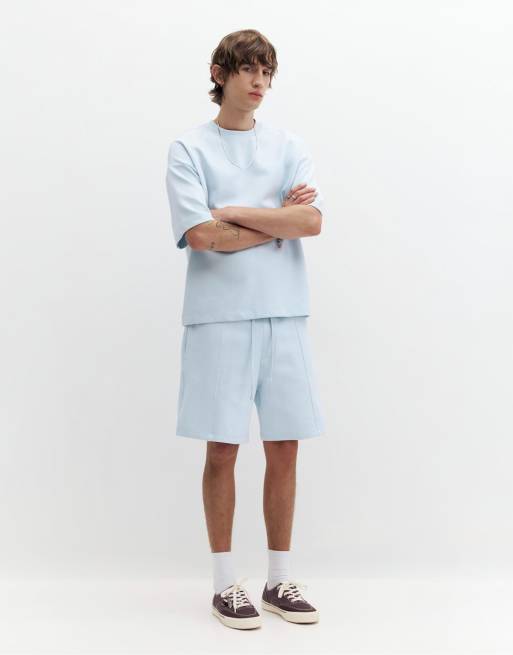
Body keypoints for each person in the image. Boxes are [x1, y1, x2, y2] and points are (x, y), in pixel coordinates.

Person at [165, 29, 326, 630]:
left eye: (267, 72)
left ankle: (279, 579)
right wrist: (276, 220)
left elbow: (311, 222)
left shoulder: (289, 145)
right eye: (249, 70)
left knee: (285, 445)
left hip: (285, 312)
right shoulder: (188, 149)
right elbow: (201, 237)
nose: (259, 82)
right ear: (220, 73)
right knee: (222, 448)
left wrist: (232, 211)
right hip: (218, 318)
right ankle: (224, 584)